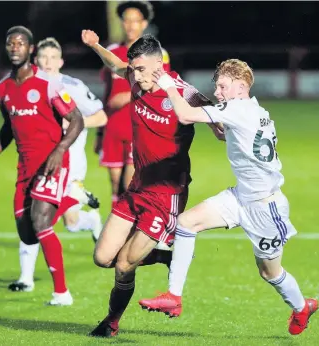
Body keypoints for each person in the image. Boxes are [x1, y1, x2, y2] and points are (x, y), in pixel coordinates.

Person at [138, 59, 318, 335]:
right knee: (186, 223)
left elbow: (185, 115)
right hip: (240, 197)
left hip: (265, 208)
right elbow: (227, 135)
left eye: (223, 86)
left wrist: (168, 87)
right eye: (217, 86)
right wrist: (213, 124)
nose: (218, 91)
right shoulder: (254, 110)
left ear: (241, 86)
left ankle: (301, 306)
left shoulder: (237, 108)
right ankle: (173, 297)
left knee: (270, 272)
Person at [81, 30, 221, 337]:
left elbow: (216, 117)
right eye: (134, 69)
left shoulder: (183, 92)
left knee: (123, 265)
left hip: (166, 196)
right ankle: (165, 256)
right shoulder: (135, 79)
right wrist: (95, 46)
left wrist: (220, 127)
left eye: (142, 69)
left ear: (160, 65)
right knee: (102, 257)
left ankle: (111, 322)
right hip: (138, 188)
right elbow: (117, 66)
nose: (135, 75)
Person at [0, 26, 84, 306]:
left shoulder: (48, 84)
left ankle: (61, 293)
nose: (14, 48)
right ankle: (72, 198)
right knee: (28, 235)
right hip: (25, 168)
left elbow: (77, 119)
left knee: (41, 222)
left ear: (30, 49)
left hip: (52, 163)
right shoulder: (3, 88)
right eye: (10, 43)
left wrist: (60, 149)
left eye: (20, 43)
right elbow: (8, 128)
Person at [8, 37, 108, 294]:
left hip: (70, 165)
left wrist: (71, 123)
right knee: (35, 216)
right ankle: (26, 278)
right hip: (38, 165)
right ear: (35, 60)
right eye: (44, 58)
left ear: (61, 61)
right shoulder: (27, 85)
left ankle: (91, 219)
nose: (48, 63)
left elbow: (101, 115)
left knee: (70, 223)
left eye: (54, 58)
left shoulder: (72, 86)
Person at [98, 1, 171, 209]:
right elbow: (107, 92)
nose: (130, 25)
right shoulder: (112, 51)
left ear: (144, 23)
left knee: (130, 184)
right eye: (126, 20)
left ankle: (130, 228)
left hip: (139, 128)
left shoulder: (158, 54)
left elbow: (162, 91)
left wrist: (129, 96)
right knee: (114, 186)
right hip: (113, 127)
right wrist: (100, 133)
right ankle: (115, 234)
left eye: (135, 21)